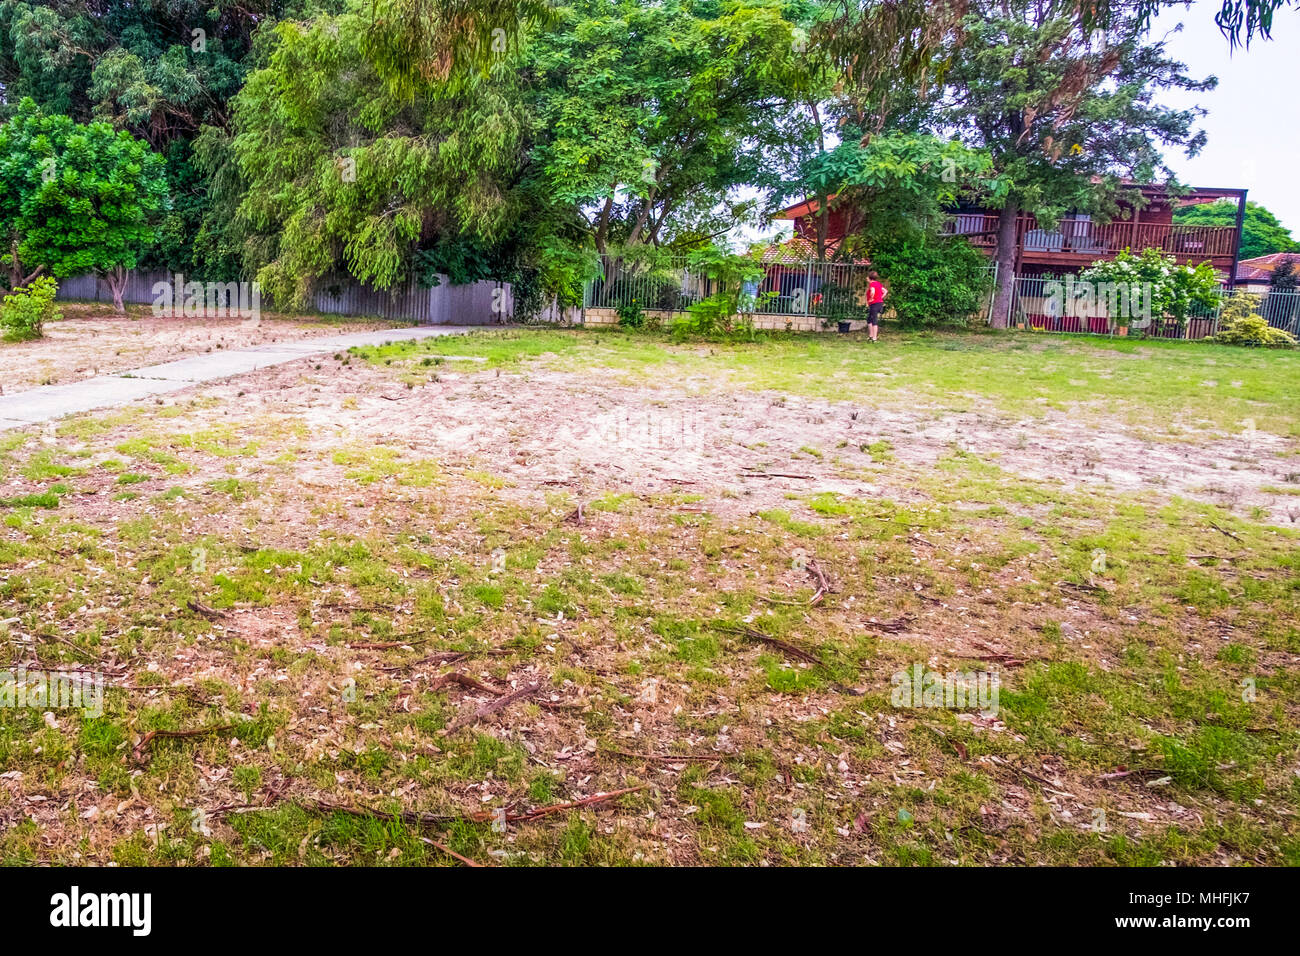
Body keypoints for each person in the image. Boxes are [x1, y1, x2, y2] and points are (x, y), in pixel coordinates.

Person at [866, 271, 887, 342]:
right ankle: (871, 335)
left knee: (874, 320)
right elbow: (885, 291)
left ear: (870, 278)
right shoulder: (878, 284)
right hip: (879, 303)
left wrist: (872, 298)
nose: (866, 278)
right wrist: (880, 298)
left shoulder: (872, 284)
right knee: (869, 319)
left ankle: (874, 338)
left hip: (874, 304)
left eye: (867, 277)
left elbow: (872, 291)